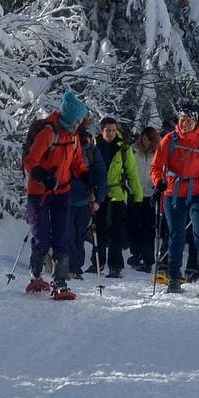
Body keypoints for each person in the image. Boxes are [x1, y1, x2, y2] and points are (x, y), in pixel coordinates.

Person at [149, 103, 199, 296]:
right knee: (176, 235)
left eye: (189, 121)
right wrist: (158, 182)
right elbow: (156, 167)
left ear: (196, 122)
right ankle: (174, 278)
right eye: (182, 120)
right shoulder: (169, 140)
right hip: (173, 192)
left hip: (198, 191)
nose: (185, 124)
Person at [22, 89, 90, 300]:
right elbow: (30, 161)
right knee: (41, 236)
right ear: (71, 118)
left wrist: (87, 177)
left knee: (62, 235)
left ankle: (60, 280)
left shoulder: (74, 137)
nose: (80, 123)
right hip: (40, 192)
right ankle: (36, 273)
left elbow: (77, 163)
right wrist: (42, 176)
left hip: (63, 192)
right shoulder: (48, 132)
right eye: (79, 120)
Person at [95, 117, 143, 278]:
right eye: (108, 130)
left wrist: (138, 196)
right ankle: (97, 262)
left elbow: (132, 173)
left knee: (116, 231)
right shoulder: (94, 146)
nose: (111, 133)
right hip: (98, 194)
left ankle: (115, 265)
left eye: (114, 130)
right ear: (102, 131)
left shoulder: (123, 149)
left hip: (117, 193)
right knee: (98, 229)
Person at [70, 123, 107, 279]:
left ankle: (75, 268)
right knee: (68, 234)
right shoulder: (64, 145)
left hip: (85, 199)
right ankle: (70, 268)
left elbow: (101, 174)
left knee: (79, 235)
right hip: (64, 197)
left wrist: (98, 199)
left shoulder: (91, 150)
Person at [130, 126, 161, 273]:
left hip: (150, 194)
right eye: (144, 139)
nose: (146, 142)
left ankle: (148, 259)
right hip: (135, 193)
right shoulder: (134, 151)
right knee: (134, 226)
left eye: (149, 139)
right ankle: (135, 254)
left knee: (148, 228)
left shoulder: (158, 153)